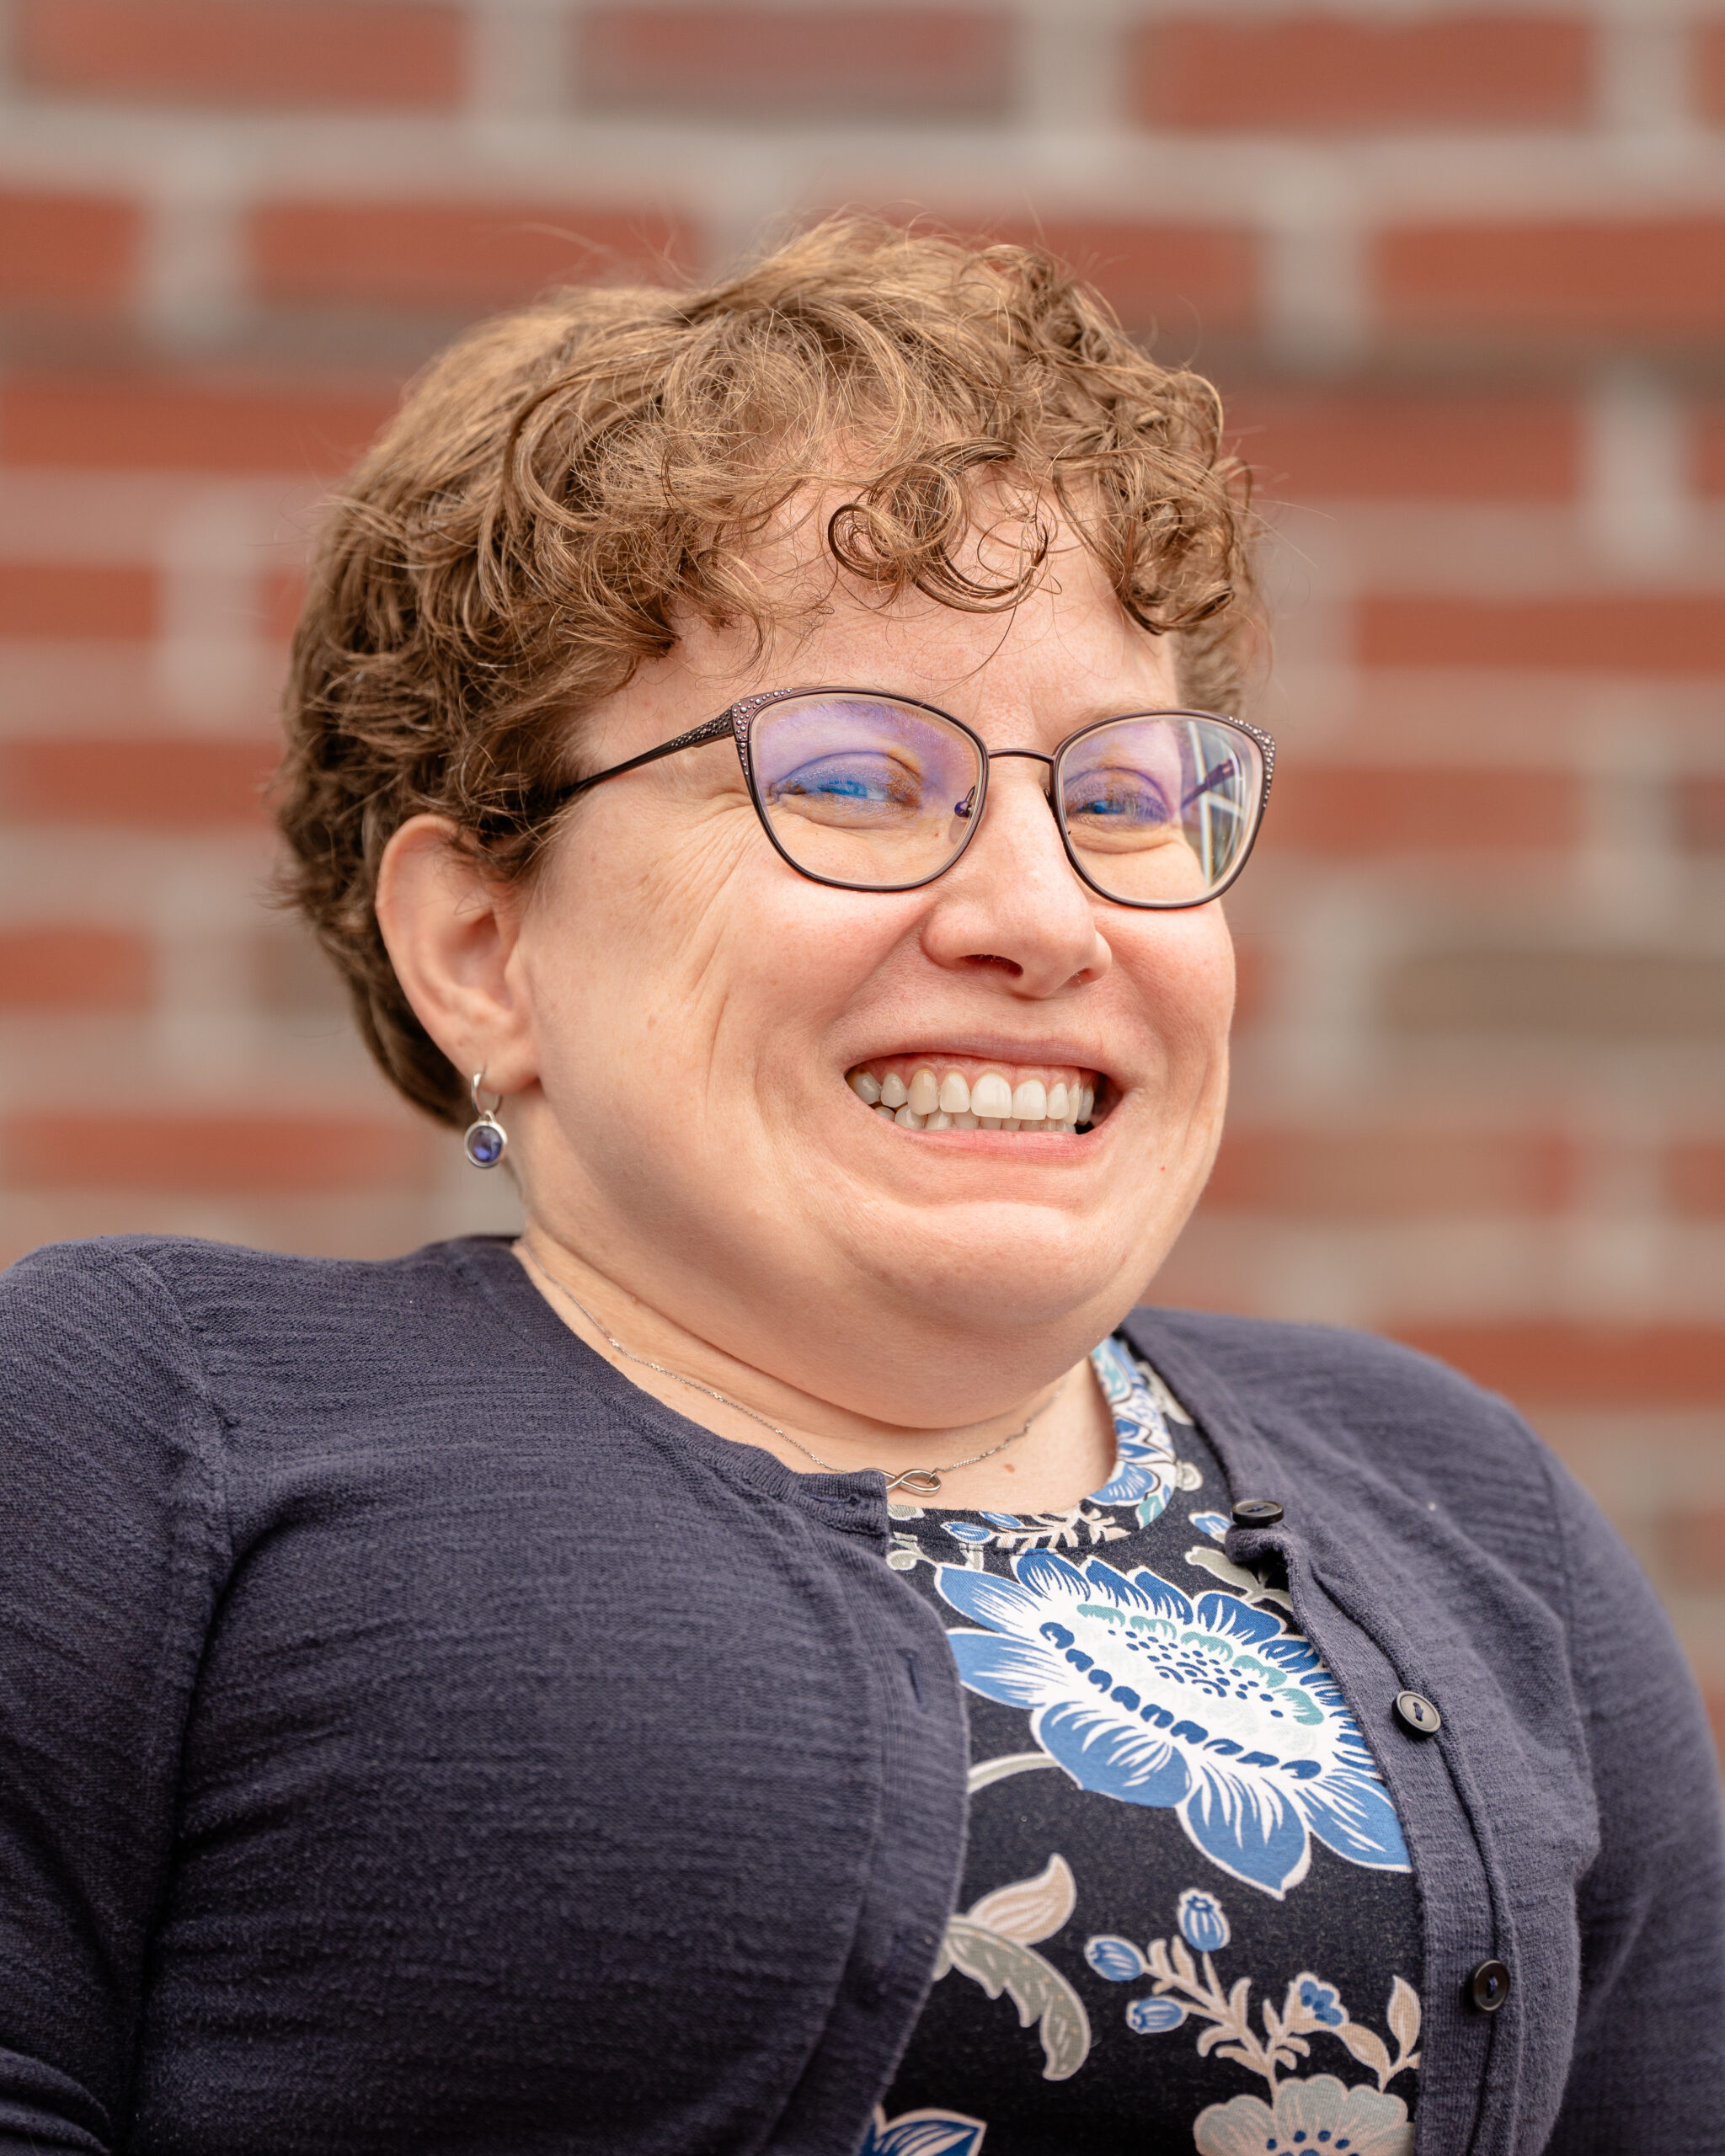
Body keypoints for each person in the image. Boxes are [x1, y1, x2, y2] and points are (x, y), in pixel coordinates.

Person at [0, 218, 1717, 2156]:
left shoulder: (1464, 1500)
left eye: (1127, 794)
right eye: (851, 776)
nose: (1038, 914)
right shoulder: (149, 1431)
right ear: (482, 943)